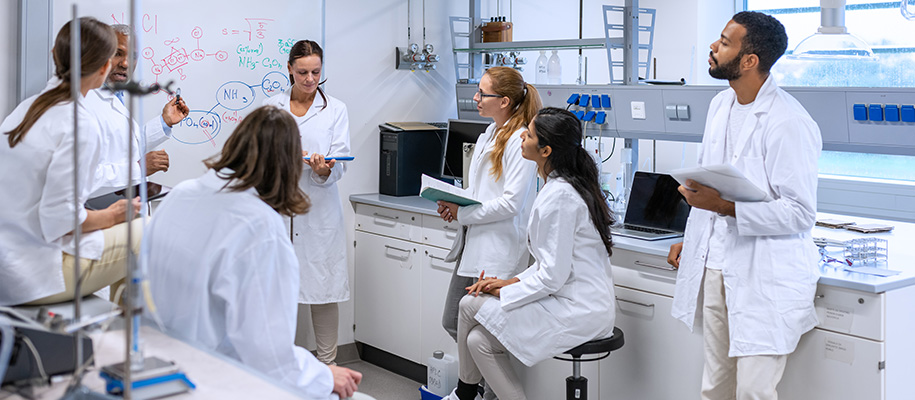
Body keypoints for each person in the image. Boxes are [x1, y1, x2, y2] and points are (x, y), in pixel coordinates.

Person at [145, 106, 363, 399]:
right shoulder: (260, 227)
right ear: (288, 167)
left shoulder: (182, 193)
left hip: (159, 362)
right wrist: (324, 375)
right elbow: (270, 357)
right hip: (216, 378)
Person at [666, 11, 822, 400]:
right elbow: (709, 181)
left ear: (749, 60)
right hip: (717, 264)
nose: (713, 47)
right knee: (714, 386)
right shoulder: (721, 105)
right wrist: (694, 239)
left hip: (765, 276)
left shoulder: (788, 122)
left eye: (724, 42)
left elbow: (800, 213)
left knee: (754, 392)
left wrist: (723, 207)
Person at [447, 107, 617, 400]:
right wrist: (508, 283)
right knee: (478, 340)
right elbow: (546, 264)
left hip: (579, 310)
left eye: (530, 134)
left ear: (546, 150)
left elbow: (552, 276)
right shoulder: (558, 187)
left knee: (468, 304)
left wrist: (504, 292)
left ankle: (463, 394)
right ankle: (467, 393)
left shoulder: (561, 196)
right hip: (565, 299)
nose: (522, 136)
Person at [0, 18, 140, 306]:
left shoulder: (31, 107)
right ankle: (133, 341)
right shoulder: (80, 122)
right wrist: (112, 215)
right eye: (118, 55)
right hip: (32, 277)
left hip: (8, 259)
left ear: (55, 54)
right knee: (148, 230)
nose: (124, 63)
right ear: (104, 68)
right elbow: (60, 221)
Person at [262, 39, 351, 365]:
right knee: (276, 290)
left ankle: (328, 366)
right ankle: (277, 362)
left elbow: (340, 161)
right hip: (279, 207)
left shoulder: (336, 109)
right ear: (289, 69)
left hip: (319, 210)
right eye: (302, 72)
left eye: (315, 72)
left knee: (323, 290)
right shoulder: (272, 107)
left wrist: (323, 170)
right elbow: (260, 155)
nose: (310, 79)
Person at [438, 66, 540, 344]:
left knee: (486, 332)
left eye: (483, 93)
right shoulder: (489, 133)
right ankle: (475, 388)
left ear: (504, 101)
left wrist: (465, 213)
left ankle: (483, 389)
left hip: (499, 249)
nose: (476, 98)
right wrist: (453, 203)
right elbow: (481, 188)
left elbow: (511, 203)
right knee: (455, 322)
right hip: (475, 241)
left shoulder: (519, 141)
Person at [86, 23, 189, 199]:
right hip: (100, 210)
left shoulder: (115, 95)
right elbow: (84, 176)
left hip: (123, 205)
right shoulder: (86, 102)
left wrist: (164, 122)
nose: (126, 63)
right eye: (118, 53)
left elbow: (124, 148)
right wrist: (139, 168)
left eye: (133, 56)